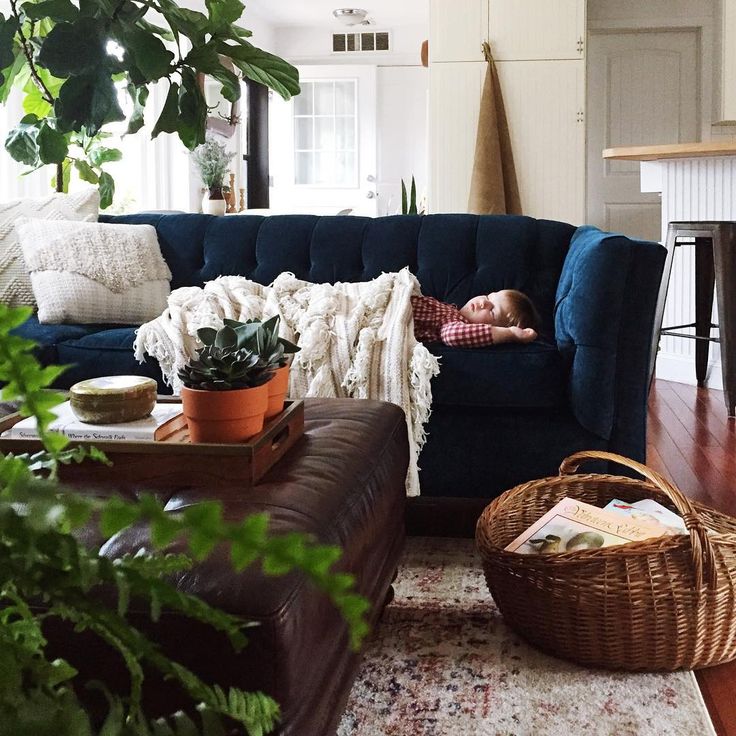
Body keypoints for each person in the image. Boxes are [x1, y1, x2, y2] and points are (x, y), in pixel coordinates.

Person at [411, 290, 539, 347]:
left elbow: (453, 335)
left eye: (493, 312)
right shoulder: (451, 310)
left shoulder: (454, 324)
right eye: (489, 297)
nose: (484, 303)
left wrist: (511, 333)